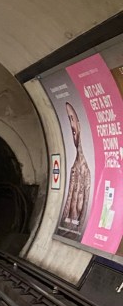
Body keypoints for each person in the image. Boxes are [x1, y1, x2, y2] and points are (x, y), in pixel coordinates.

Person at [58, 101, 91, 240]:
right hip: (67, 226)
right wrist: (61, 224)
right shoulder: (74, 167)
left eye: (72, 118)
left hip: (76, 227)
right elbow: (68, 200)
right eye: (68, 119)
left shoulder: (86, 169)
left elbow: (86, 203)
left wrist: (79, 228)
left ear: (79, 125)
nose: (71, 125)